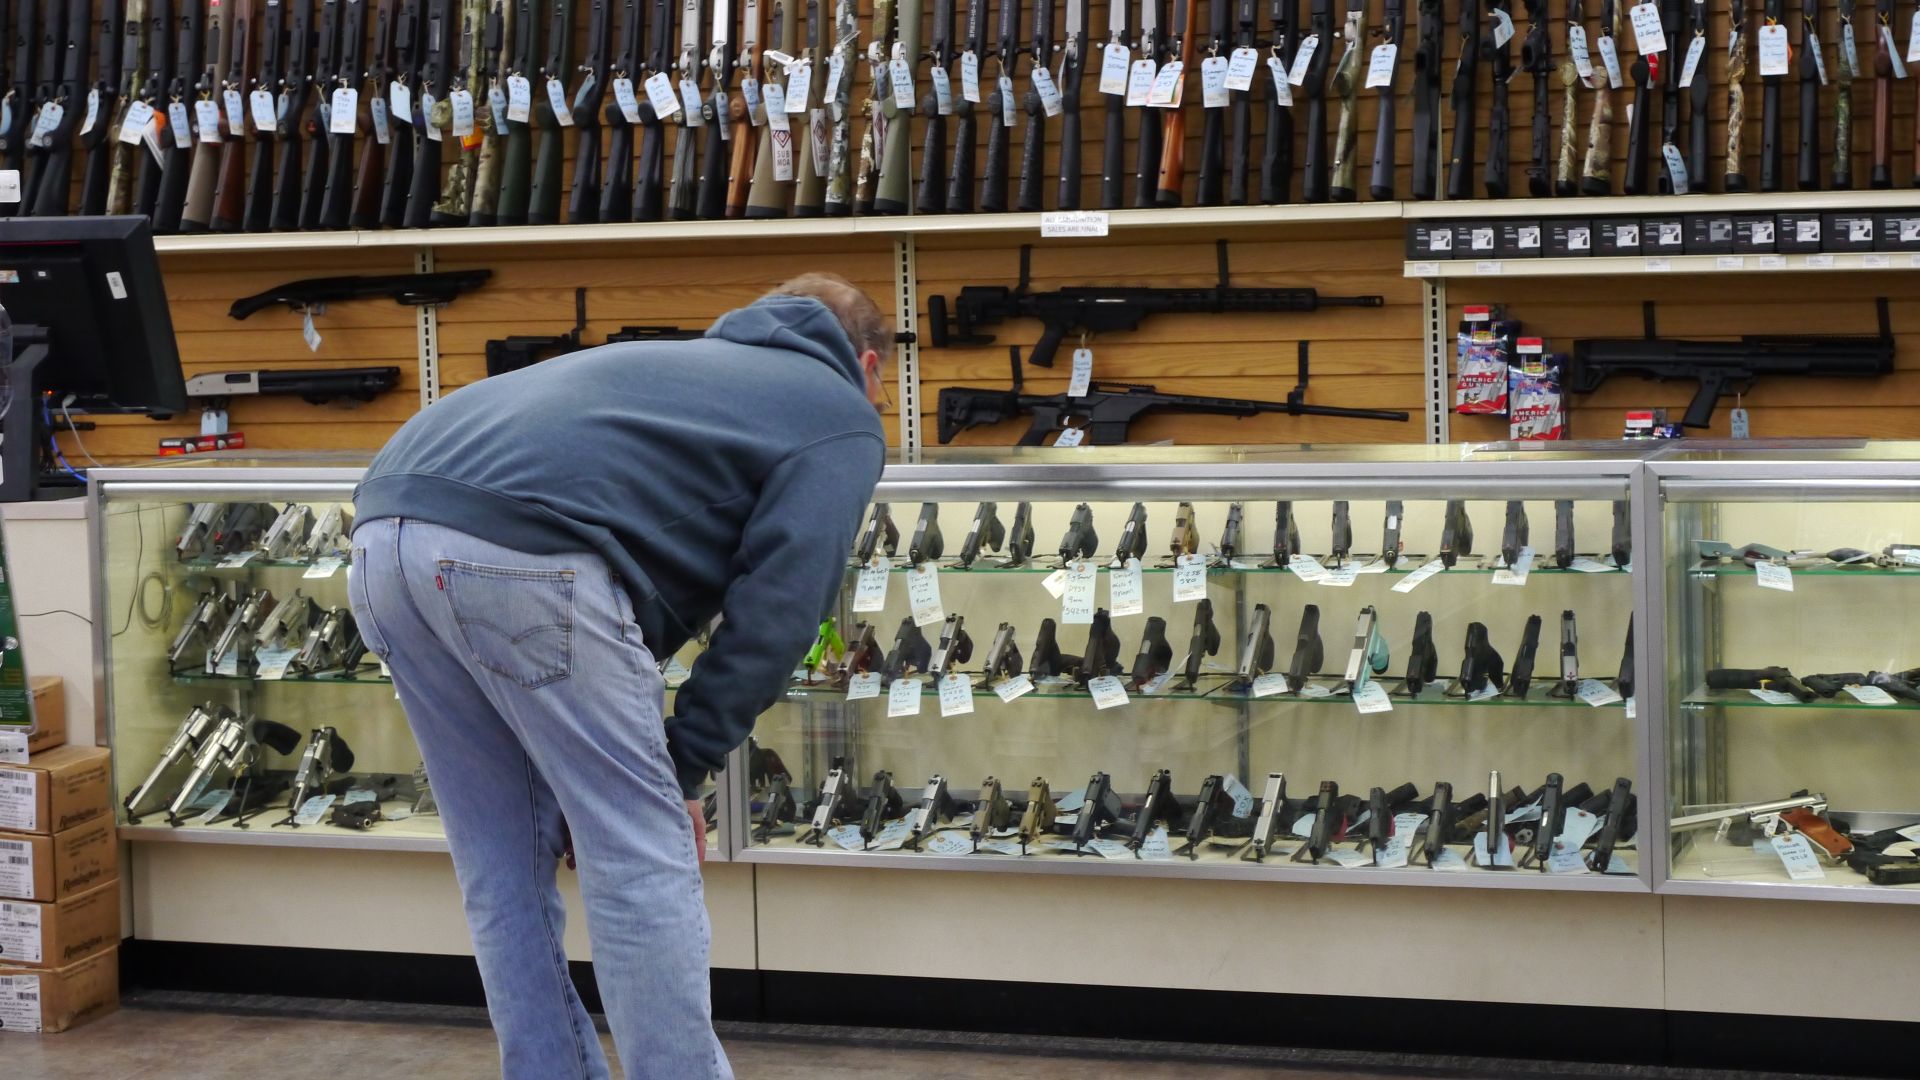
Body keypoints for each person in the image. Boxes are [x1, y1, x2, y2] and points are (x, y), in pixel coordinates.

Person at [346, 274, 890, 1080]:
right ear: (870, 367)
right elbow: (780, 611)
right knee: (639, 855)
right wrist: (680, 767)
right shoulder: (838, 411)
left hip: (380, 537)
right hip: (517, 554)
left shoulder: (688, 367)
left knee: (501, 860)